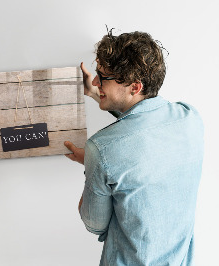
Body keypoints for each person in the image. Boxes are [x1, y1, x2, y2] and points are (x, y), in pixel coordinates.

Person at [64, 30, 204, 265]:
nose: (96, 81)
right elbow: (144, 124)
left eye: (103, 77)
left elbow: (93, 224)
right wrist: (97, 94)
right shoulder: (190, 118)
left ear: (135, 87)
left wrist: (92, 163)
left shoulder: (101, 149)